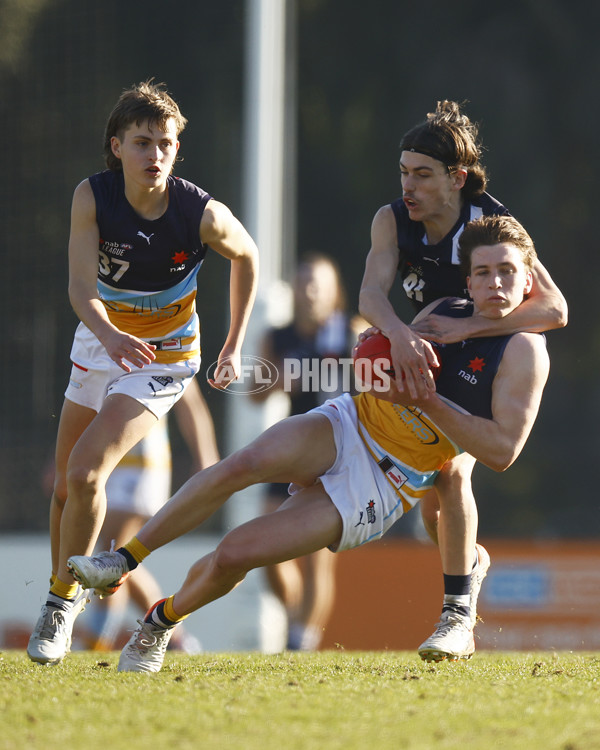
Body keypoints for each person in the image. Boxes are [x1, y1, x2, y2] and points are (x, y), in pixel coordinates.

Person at [68, 214, 550, 672]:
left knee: (236, 554)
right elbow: (377, 366)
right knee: (246, 462)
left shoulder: (525, 350)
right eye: (483, 272)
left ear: (528, 280)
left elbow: (503, 452)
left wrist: (422, 400)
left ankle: (159, 624)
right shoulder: (443, 310)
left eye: (507, 271)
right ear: (467, 281)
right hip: (349, 422)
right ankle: (122, 559)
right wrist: (377, 358)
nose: (495, 283)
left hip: (385, 479)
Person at [27, 80, 259, 666]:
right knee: (64, 487)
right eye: (141, 142)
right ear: (116, 146)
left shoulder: (199, 211)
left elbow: (248, 256)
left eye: (165, 143)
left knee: (84, 475)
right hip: (103, 339)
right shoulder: (92, 197)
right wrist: (107, 336)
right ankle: (64, 594)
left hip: (164, 356)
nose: (154, 154)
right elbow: (82, 288)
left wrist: (232, 344)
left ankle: (60, 606)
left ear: (177, 151)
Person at [358, 100, 567, 658]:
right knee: (434, 509)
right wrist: (400, 334)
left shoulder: (493, 225)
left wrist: (468, 329)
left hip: (483, 359)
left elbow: (555, 309)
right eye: (403, 171)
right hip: (424, 351)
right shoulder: (392, 219)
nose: (408, 184)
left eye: (422, 173)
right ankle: (471, 566)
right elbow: (371, 296)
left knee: (451, 475)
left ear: (457, 178)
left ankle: (456, 618)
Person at [252, 252, 356, 651]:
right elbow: (254, 395)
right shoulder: (279, 337)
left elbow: (380, 381)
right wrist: (279, 379)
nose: (309, 291)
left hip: (339, 452)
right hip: (293, 449)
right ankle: (297, 619)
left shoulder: (351, 332)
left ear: (334, 292)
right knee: (265, 546)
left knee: (317, 556)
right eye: (302, 282)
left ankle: (302, 640)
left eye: (318, 283)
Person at [83, 377, 219, 651]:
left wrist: (206, 456)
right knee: (117, 555)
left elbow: (189, 397)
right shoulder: (107, 342)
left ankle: (97, 646)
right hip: (108, 458)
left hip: (141, 461)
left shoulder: (161, 339)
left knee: (112, 555)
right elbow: (84, 405)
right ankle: (175, 638)